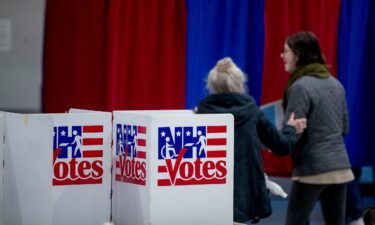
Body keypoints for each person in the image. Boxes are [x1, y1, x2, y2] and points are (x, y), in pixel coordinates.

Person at [195, 57, 307, 224]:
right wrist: (291, 128)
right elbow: (282, 146)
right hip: (244, 195)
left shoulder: (201, 113)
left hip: (209, 194)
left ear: (211, 85)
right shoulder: (251, 111)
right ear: (240, 84)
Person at [280, 31, 354, 225]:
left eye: (286, 51)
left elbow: (292, 133)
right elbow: (344, 128)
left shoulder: (299, 87)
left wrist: (274, 141)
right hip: (340, 167)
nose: (282, 56)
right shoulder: (336, 84)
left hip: (312, 168)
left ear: (298, 54)